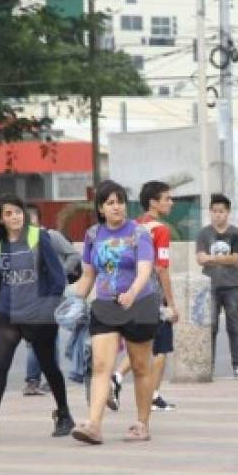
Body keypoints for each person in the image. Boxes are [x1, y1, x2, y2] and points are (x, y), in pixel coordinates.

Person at [0, 195, 73, 442]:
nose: (15, 217)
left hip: (38, 316)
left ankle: (64, 414)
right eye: (8, 213)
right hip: (8, 315)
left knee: (49, 366)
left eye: (18, 212)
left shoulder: (39, 237)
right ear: (0, 219)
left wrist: (47, 308)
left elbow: (58, 278)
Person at [71, 180, 159, 444]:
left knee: (142, 366)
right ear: (100, 208)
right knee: (100, 366)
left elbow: (145, 268)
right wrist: (75, 302)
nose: (116, 207)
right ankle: (94, 425)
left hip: (139, 303)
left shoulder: (139, 233)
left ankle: (142, 424)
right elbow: (88, 274)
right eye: (110, 202)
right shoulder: (92, 235)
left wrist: (132, 292)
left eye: (120, 201)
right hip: (106, 305)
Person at [118, 180, 178, 412]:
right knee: (161, 348)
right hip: (153, 294)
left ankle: (121, 378)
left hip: (132, 292)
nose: (170, 203)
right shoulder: (160, 229)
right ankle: (150, 394)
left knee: (141, 344)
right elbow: (161, 268)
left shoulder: (132, 226)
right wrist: (171, 303)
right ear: (153, 202)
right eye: (167, 198)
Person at [18, 204, 81, 396]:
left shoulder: (51, 236)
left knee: (45, 338)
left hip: (50, 295)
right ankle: (39, 380)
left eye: (31, 218)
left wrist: (59, 273)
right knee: (36, 339)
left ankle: (37, 380)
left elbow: (74, 255)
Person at [195, 194, 238, 381]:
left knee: (233, 327)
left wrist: (212, 259)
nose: (218, 215)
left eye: (222, 211)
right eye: (214, 211)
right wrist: (220, 259)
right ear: (210, 212)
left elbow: (236, 259)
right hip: (209, 286)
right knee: (211, 328)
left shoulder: (236, 234)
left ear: (228, 213)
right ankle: (208, 367)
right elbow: (200, 258)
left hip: (233, 286)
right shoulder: (204, 233)